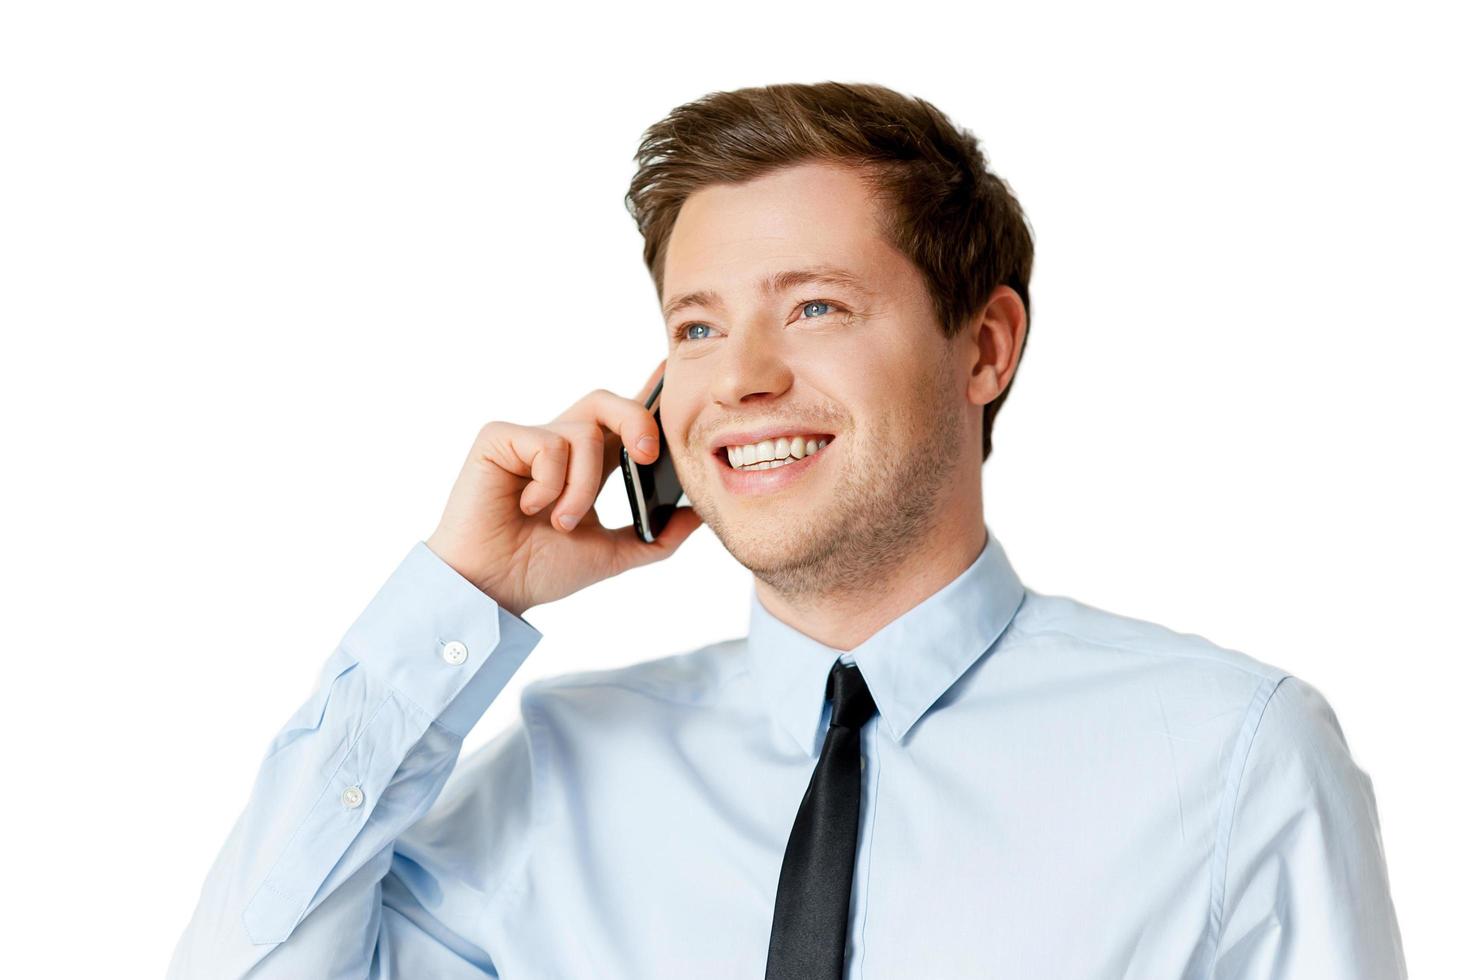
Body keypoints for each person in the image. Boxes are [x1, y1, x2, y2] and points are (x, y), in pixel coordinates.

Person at [167, 82, 1406, 979]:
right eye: (696, 327)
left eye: (812, 306)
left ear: (984, 346)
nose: (739, 378)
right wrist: (455, 602)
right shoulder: (556, 778)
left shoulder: (1232, 761)